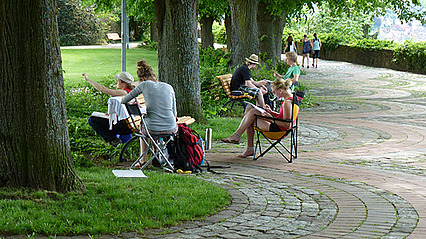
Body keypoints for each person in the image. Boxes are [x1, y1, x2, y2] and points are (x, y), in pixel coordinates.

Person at [121, 60, 178, 168]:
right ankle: (158, 154)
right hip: (171, 128)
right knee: (149, 124)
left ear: (142, 79)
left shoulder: (144, 84)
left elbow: (124, 100)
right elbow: (174, 113)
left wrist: (134, 102)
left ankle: (143, 160)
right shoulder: (169, 86)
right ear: (154, 75)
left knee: (145, 127)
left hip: (151, 128)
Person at [221, 78, 294, 157]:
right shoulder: (289, 99)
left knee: (252, 115)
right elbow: (282, 117)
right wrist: (271, 112)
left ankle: (242, 141)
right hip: (277, 125)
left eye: (274, 92)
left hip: (278, 130)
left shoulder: (287, 103)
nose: (273, 94)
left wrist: (270, 118)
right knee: (251, 111)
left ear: (280, 90)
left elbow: (287, 125)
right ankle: (241, 141)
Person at [84, 72, 136, 146]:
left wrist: (88, 79)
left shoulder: (124, 92)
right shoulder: (132, 91)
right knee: (102, 118)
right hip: (129, 123)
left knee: (92, 120)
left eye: (118, 81)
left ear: (124, 84)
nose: (116, 82)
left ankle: (113, 140)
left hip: (125, 126)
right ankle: (114, 140)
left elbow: (103, 89)